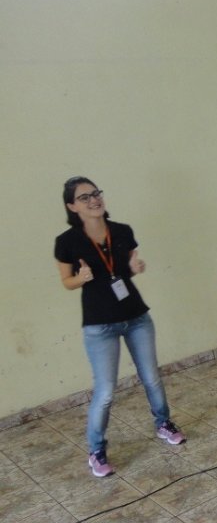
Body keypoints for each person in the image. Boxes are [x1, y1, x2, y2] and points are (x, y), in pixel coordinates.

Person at [55, 177, 185, 478]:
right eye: (84, 197)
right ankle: (96, 450)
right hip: (100, 326)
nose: (93, 200)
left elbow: (126, 269)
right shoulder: (67, 242)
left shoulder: (122, 232)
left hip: (136, 316)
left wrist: (135, 269)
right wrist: (81, 278)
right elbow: (66, 282)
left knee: (152, 377)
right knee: (106, 391)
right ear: (72, 206)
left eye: (96, 194)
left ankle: (164, 423)